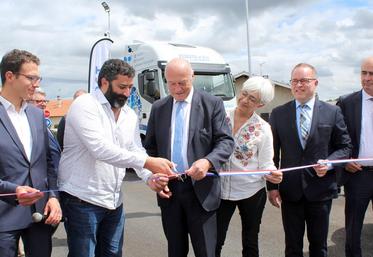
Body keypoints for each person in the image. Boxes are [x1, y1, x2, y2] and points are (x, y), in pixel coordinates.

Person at [58, 59, 173, 257]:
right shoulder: (85, 105)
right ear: (104, 82)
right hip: (81, 198)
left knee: (113, 253)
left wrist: (149, 177)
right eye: (122, 87)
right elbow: (101, 149)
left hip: (114, 201)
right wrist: (149, 163)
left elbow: (136, 149)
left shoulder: (129, 115)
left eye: (130, 87)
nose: (127, 93)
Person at [144, 58, 235, 257]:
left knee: (205, 251)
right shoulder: (159, 108)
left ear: (192, 76)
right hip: (170, 190)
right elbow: (149, 149)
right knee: (175, 250)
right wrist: (153, 175)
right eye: (171, 83)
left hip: (201, 190)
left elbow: (226, 142)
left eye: (182, 83)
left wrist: (208, 161)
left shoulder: (212, 104)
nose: (177, 89)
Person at [267, 63, 351, 257]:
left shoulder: (332, 112)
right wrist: (271, 187)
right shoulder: (279, 114)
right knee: (292, 247)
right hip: (291, 192)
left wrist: (329, 164)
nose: (298, 85)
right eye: (294, 81)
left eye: (304, 80)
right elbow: (271, 154)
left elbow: (345, 147)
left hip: (320, 190)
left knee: (318, 247)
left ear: (316, 83)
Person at [0, 49, 62, 257]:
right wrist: (13, 190)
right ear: (10, 76)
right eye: (31, 78)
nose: (36, 84)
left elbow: (49, 162)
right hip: (3, 217)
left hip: (39, 215)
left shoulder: (36, 115)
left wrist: (53, 196)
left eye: (38, 78)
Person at [215, 76, 283, 257]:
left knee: (250, 240)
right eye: (244, 94)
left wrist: (273, 174)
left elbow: (267, 163)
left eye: (252, 99)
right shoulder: (221, 117)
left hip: (251, 191)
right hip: (220, 190)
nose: (244, 100)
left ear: (260, 105)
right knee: (215, 239)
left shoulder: (263, 128)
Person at [337, 57, 373, 257]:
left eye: (371, 74)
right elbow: (336, 139)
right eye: (363, 73)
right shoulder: (347, 102)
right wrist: (346, 160)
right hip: (358, 175)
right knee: (353, 228)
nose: (366, 78)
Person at [29, 89, 61, 170]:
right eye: (38, 101)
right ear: (28, 102)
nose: (43, 104)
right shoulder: (28, 125)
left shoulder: (43, 123)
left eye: (45, 101)